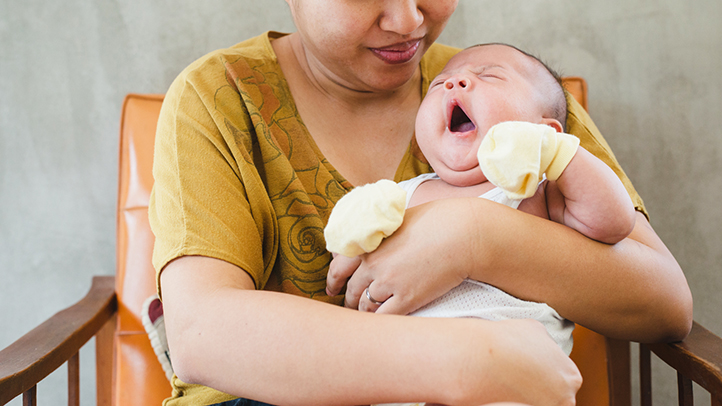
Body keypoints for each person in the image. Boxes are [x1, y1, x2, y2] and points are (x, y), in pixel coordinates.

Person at [149, 1, 693, 405]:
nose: (410, 20)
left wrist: (473, 237)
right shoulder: (218, 98)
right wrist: (466, 361)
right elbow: (202, 333)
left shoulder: (511, 87)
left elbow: (664, 303)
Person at [324, 43, 638, 358]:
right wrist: (351, 239)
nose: (454, 82)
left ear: (545, 131)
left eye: (489, 76)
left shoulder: (539, 191)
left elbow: (612, 222)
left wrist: (557, 155)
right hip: (411, 371)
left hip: (513, 363)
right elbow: (350, 244)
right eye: (438, 84)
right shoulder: (403, 194)